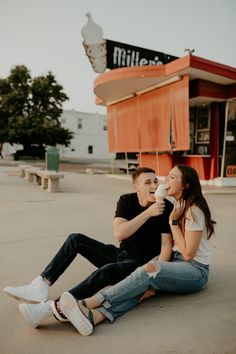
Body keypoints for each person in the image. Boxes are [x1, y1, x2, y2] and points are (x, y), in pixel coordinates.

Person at [55, 165, 216, 336]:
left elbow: (188, 254)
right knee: (140, 285)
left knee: (147, 272)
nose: (166, 181)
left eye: (172, 178)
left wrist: (173, 223)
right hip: (176, 261)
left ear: (185, 185)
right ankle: (96, 316)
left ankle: (87, 304)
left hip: (194, 269)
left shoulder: (194, 210)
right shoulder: (179, 205)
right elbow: (123, 235)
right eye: (167, 176)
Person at [4, 167, 173, 326]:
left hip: (138, 263)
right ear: (136, 186)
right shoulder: (126, 200)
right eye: (148, 182)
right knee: (76, 239)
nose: (154, 186)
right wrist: (148, 213)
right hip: (120, 253)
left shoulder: (166, 207)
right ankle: (40, 285)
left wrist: (154, 279)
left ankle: (51, 308)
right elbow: (120, 234)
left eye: (156, 181)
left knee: (107, 270)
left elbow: (166, 247)